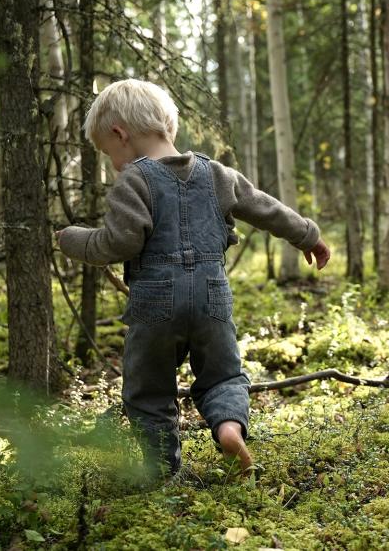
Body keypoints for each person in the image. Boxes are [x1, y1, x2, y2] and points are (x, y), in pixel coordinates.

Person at [57, 79, 330, 479]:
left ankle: (162, 469)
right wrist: (308, 234)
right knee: (222, 376)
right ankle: (229, 429)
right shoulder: (218, 174)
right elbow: (265, 208)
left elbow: (118, 244)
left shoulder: (133, 180)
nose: (112, 163)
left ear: (121, 134)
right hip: (211, 298)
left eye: (108, 152)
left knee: (148, 392)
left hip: (155, 305)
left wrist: (73, 239)